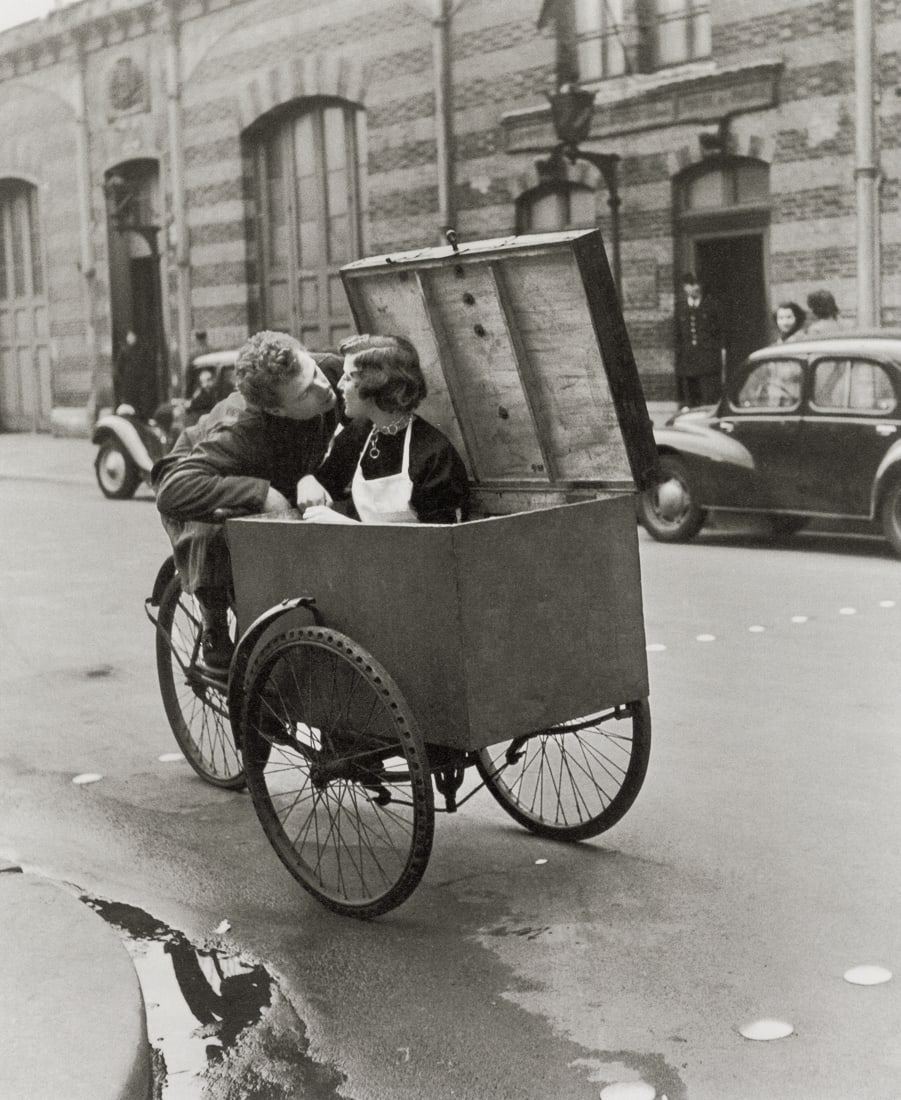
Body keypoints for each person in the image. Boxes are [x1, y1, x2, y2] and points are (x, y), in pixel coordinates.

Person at [152, 331, 341, 672]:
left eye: (313, 371)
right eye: (304, 394)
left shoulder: (329, 371)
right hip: (203, 470)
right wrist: (261, 493)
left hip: (278, 465)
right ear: (274, 409)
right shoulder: (242, 429)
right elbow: (173, 490)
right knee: (216, 531)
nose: (322, 387)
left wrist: (308, 477)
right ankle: (214, 622)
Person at [296, 333, 468, 526]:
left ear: (377, 385)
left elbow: (444, 543)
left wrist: (351, 529)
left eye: (349, 377)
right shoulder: (361, 432)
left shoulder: (434, 455)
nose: (339, 385)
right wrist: (308, 480)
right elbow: (327, 483)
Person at [673, 273, 726, 409]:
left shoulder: (712, 306)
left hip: (709, 364)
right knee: (691, 404)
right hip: (688, 364)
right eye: (690, 284)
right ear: (684, 287)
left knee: (709, 401)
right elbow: (677, 336)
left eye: (697, 284)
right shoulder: (680, 308)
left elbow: (721, 333)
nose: (694, 288)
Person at [113, 330, 154, 420]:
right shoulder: (124, 350)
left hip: (137, 384)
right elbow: (119, 369)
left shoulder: (141, 350)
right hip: (129, 385)